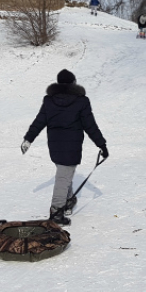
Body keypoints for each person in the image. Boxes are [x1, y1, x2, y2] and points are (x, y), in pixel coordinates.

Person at [21, 69, 108, 226]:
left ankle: (68, 201)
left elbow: (39, 121)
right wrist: (101, 144)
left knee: (64, 173)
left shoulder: (49, 100)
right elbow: (90, 125)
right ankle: (56, 212)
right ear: (73, 82)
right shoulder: (81, 101)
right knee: (63, 176)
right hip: (72, 144)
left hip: (54, 144)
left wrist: (28, 139)